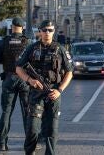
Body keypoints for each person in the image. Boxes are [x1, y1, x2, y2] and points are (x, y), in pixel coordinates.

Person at [16, 20, 73, 155]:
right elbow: (18, 68)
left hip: (53, 93)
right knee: (32, 130)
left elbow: (69, 72)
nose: (47, 32)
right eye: (45, 30)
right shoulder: (32, 48)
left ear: (54, 31)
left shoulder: (61, 49)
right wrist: (30, 80)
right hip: (36, 93)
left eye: (50, 30)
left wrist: (59, 90)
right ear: (39, 31)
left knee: (51, 131)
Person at [0, 17, 30, 151]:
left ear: (11, 27)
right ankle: (29, 144)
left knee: (6, 112)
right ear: (22, 28)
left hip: (9, 79)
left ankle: (2, 142)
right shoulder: (28, 43)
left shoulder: (3, 42)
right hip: (25, 80)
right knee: (27, 112)